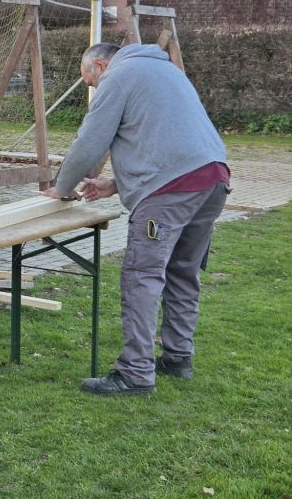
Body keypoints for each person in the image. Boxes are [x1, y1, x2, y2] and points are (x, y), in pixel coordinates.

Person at [42, 42, 229, 396]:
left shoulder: (119, 75)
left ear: (100, 65)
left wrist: (61, 188)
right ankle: (177, 357)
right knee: (182, 271)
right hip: (213, 179)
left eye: (91, 82)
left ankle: (136, 373)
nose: (94, 89)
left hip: (173, 192)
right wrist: (116, 183)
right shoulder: (166, 70)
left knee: (142, 276)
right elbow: (168, 141)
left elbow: (89, 142)